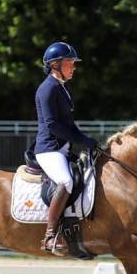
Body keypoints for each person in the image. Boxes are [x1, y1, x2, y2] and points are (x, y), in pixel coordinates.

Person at [34, 42, 98, 255]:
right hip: (49, 149)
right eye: (70, 62)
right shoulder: (48, 88)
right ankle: (50, 235)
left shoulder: (62, 87)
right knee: (66, 180)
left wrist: (85, 140)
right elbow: (52, 125)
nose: (74, 67)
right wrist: (79, 140)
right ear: (55, 64)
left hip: (62, 148)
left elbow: (69, 125)